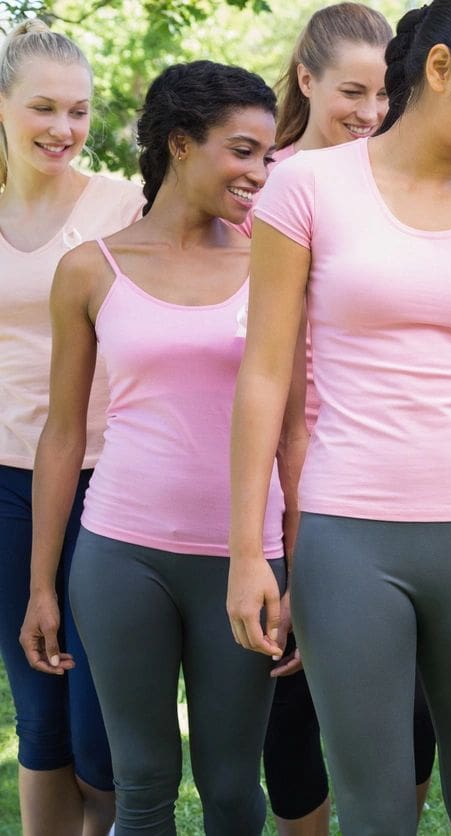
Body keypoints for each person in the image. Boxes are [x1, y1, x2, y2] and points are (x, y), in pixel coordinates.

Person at [228, 2, 451, 832]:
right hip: (348, 542)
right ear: (441, 68)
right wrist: (247, 548)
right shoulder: (306, 186)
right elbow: (265, 374)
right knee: (376, 812)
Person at [21, 61, 290, 835]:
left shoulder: (272, 262)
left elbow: (294, 429)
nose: (258, 173)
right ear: (180, 143)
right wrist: (44, 584)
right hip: (120, 557)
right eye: (242, 151)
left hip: (243, 560)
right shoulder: (89, 271)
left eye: (267, 157)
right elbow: (65, 434)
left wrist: (293, 560)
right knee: (141, 788)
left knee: (234, 789)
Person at [261, 6, 406, 835]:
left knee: (408, 713)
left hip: (382, 479)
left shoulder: (399, 180)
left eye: (385, 94)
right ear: (307, 79)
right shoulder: (264, 183)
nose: (370, 111)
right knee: (293, 704)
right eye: (353, 90)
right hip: (282, 479)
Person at [0, 19, 143, 835]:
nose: (63, 129)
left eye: (79, 111)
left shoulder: (122, 205)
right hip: (6, 485)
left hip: (108, 480)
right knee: (40, 716)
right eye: (43, 108)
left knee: (101, 727)